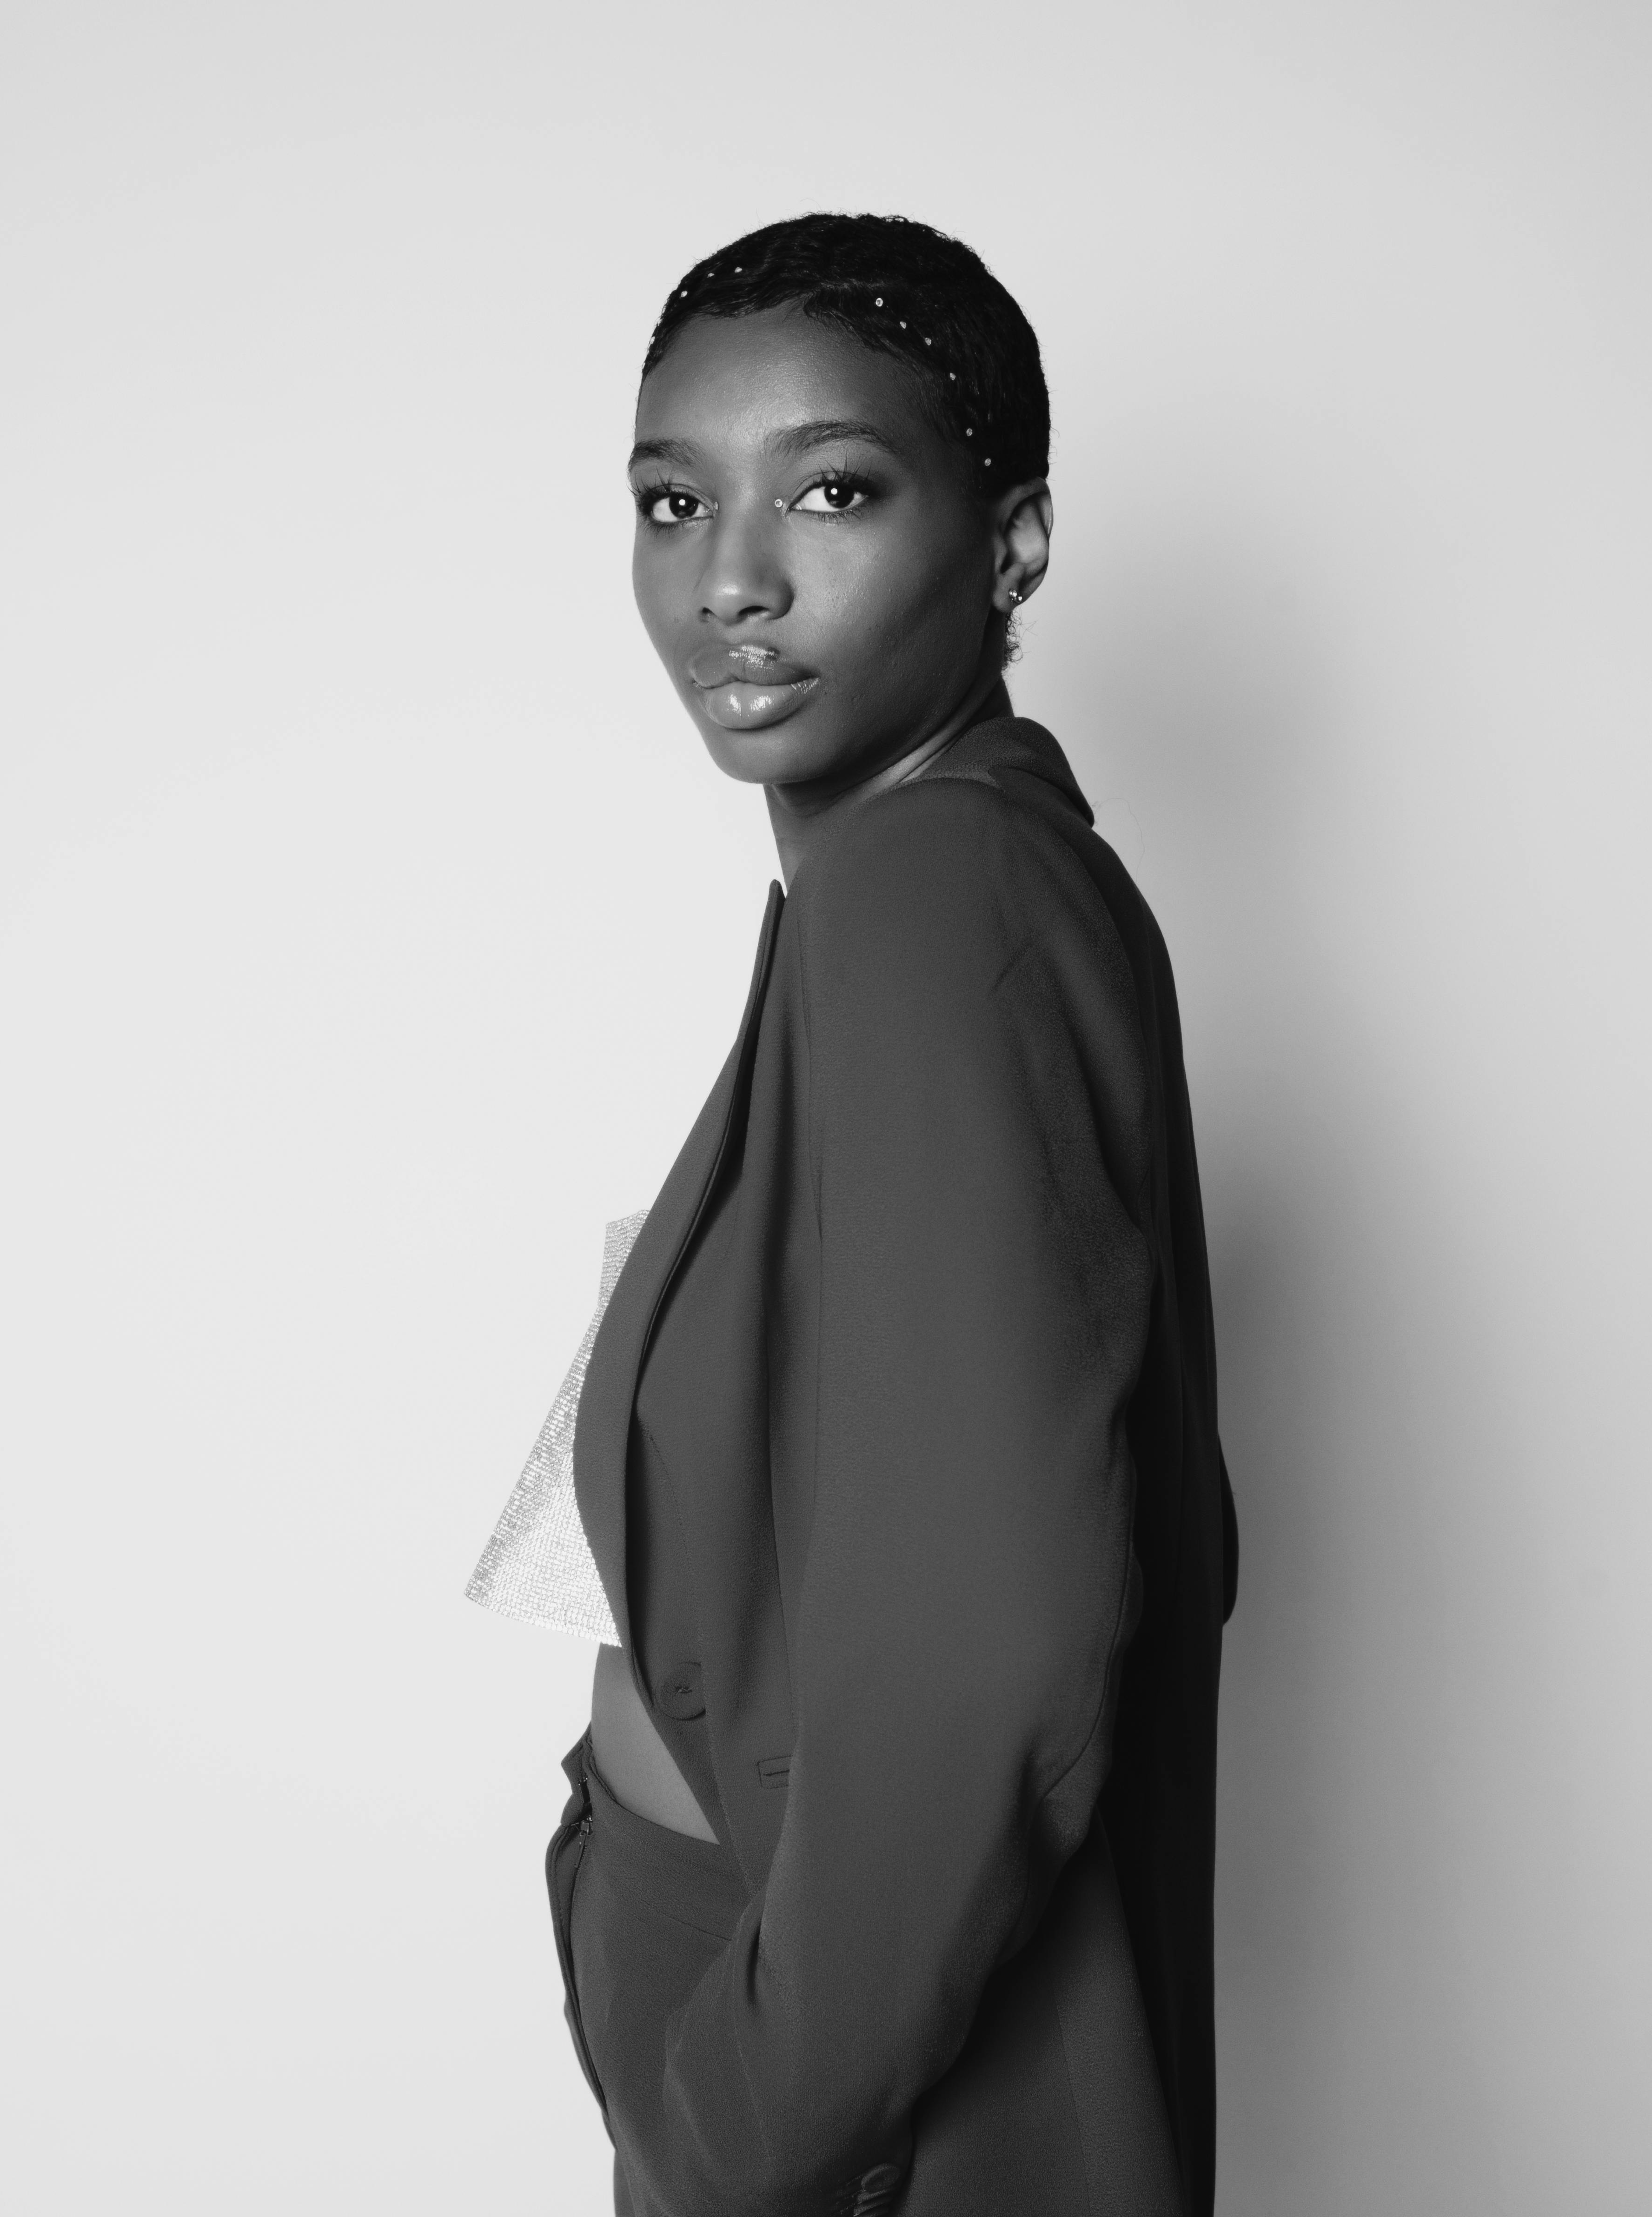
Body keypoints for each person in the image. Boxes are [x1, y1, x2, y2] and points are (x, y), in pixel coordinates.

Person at [533, 212, 1236, 2217]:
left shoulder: (939, 900)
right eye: (673, 501)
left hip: (838, 2106)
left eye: (834, 489)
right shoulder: (905, 888)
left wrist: (741, 2121)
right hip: (789, 2031)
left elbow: (990, 1634)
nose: (731, 580)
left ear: (1011, 545)